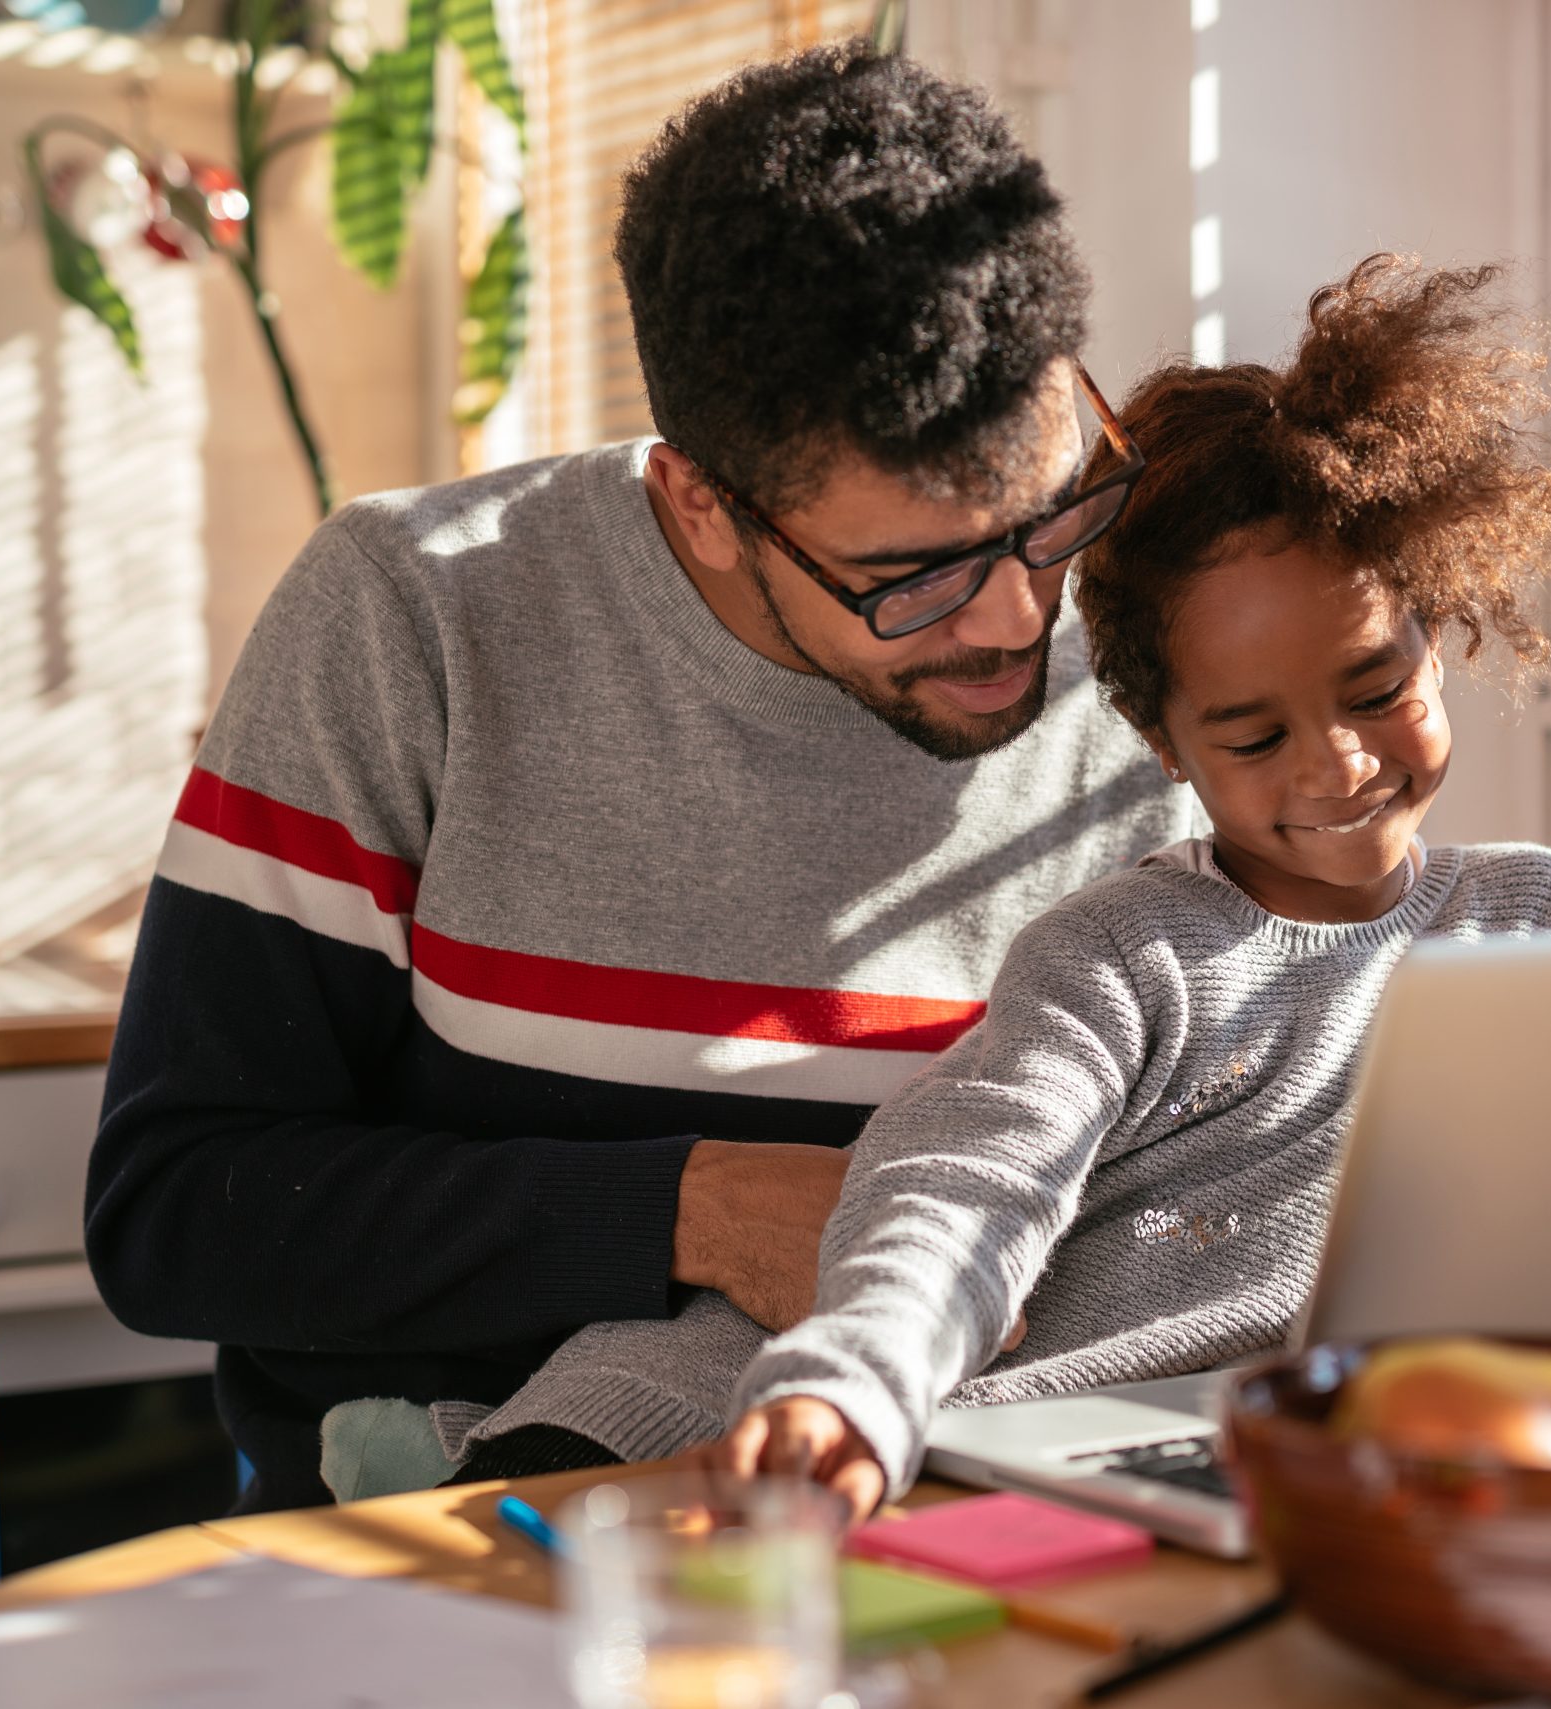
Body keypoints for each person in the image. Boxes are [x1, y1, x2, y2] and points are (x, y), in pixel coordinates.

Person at [452, 255, 1551, 1510]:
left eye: (1376, 686)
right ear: (1164, 740)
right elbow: (958, 1187)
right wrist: (850, 1388)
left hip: (1337, 1454)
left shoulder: (1534, 914)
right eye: (1253, 734)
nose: (1337, 765)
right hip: (1008, 1438)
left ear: (1440, 630)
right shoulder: (1124, 953)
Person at [84, 42, 1196, 1513]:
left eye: (1051, 513)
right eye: (912, 577)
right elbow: (178, 1211)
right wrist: (700, 1208)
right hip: (466, 1539)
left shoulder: (1144, 638)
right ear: (701, 503)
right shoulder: (416, 616)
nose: (1015, 622)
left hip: (982, 1516)